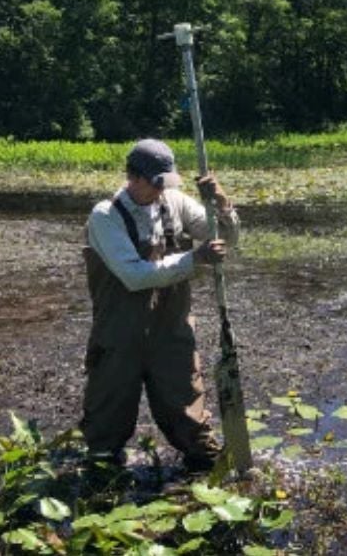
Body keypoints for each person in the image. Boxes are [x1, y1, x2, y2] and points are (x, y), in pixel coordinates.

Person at [81, 138, 238, 472]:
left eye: (165, 183)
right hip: (118, 337)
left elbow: (228, 240)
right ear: (132, 177)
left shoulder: (175, 202)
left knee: (195, 431)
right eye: (155, 184)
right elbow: (134, 277)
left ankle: (206, 478)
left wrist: (221, 205)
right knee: (103, 440)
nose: (160, 191)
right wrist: (196, 258)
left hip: (172, 332)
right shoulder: (105, 216)